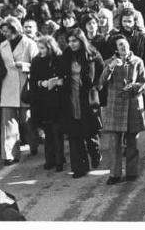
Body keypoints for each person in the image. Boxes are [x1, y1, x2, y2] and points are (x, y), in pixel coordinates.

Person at [100, 34, 145, 184]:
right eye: (119, 45)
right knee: (114, 143)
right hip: (115, 106)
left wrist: (135, 87)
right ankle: (114, 174)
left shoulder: (137, 61)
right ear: (116, 48)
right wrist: (111, 67)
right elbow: (101, 82)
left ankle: (132, 172)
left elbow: (143, 82)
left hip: (132, 105)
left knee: (132, 142)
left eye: (124, 43)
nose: (123, 47)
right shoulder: (109, 62)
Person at [60, 28, 104, 178]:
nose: (71, 44)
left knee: (90, 131)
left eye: (74, 41)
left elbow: (101, 74)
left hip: (87, 98)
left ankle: (95, 153)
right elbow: (62, 72)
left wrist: (97, 88)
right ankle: (79, 167)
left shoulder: (92, 54)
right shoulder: (66, 55)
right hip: (71, 97)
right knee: (75, 133)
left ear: (81, 40)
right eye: (69, 41)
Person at [0, 16, 39, 164]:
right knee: (8, 122)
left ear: (14, 28)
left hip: (24, 85)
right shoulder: (2, 45)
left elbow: (37, 64)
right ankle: (9, 154)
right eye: (3, 31)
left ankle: (33, 143)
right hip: (8, 85)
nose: (5, 34)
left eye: (7, 30)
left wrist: (26, 66)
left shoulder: (29, 44)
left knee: (26, 120)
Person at [28, 35, 65, 172]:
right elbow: (33, 82)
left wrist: (59, 81)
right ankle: (50, 159)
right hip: (43, 101)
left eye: (42, 48)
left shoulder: (59, 59)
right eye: (39, 48)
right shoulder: (37, 61)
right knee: (48, 132)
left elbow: (64, 75)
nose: (40, 51)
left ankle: (59, 160)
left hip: (57, 100)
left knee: (57, 131)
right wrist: (42, 83)